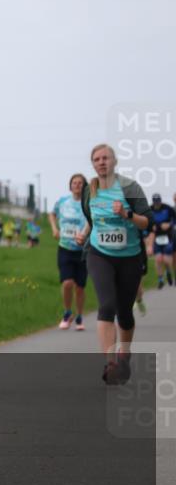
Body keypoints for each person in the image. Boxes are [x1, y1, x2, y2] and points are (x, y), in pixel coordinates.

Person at [76, 144, 150, 385]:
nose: (101, 162)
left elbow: (146, 223)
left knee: (125, 313)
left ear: (114, 161)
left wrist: (127, 215)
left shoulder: (130, 188)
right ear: (93, 164)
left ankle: (124, 354)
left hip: (130, 257)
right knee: (106, 306)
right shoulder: (89, 191)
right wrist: (84, 234)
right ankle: (111, 363)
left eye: (105, 158)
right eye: (96, 159)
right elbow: (92, 219)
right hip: (100, 255)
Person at [48, 174, 90, 330]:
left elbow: (93, 221)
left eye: (80, 183)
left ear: (84, 186)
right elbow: (52, 214)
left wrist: (85, 235)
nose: (77, 185)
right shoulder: (63, 201)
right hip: (65, 247)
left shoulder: (88, 203)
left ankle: (79, 316)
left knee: (80, 287)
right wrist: (54, 228)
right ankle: (67, 313)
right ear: (70, 185)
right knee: (67, 283)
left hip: (83, 250)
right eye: (74, 182)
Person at [147, 192, 175, 289]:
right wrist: (151, 227)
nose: (157, 204)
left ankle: (168, 271)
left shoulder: (167, 208)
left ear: (160, 201)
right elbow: (146, 222)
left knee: (167, 260)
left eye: (158, 202)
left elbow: (174, 219)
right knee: (158, 259)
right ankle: (160, 280)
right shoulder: (149, 210)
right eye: (155, 202)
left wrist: (169, 225)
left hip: (168, 236)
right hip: (156, 236)